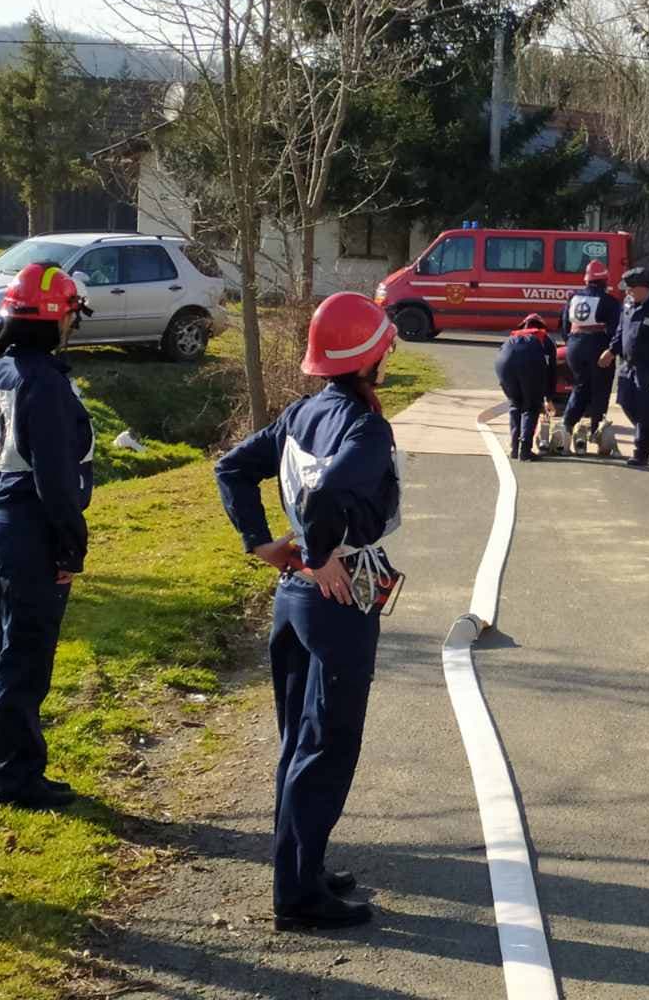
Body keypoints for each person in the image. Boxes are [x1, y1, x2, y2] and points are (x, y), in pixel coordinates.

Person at [215, 292, 402, 932]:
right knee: (326, 746)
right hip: (335, 596)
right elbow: (328, 493)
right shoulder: (365, 426)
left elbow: (233, 468)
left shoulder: (301, 412)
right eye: (386, 344)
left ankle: (302, 866)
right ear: (371, 355)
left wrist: (265, 545)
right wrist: (319, 553)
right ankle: (297, 898)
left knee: (300, 741)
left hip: (293, 600)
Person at [0, 264, 94, 811]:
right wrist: (71, 544)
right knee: (25, 659)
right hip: (30, 531)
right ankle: (17, 777)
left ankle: (9, 763)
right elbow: (55, 477)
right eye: (71, 312)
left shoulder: (0, 369)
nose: (74, 322)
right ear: (57, 317)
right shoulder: (44, 382)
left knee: (4, 655)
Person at [600, 267, 649, 466]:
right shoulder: (628, 303)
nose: (628, 293)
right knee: (625, 401)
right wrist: (611, 350)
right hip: (627, 364)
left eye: (631, 289)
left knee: (647, 408)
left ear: (644, 287)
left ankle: (640, 451)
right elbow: (621, 330)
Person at [559, 261, 622, 453]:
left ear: (586, 279)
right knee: (600, 390)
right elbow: (616, 330)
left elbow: (563, 327)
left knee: (580, 386)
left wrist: (571, 342)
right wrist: (613, 350)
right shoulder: (609, 301)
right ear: (605, 280)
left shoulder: (573, 298)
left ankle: (566, 426)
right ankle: (597, 431)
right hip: (598, 347)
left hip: (574, 347)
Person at [495, 314, 557, 460]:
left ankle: (515, 449)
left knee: (515, 405)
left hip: (504, 364)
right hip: (529, 362)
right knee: (530, 407)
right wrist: (549, 397)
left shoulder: (512, 337)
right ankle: (525, 450)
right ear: (541, 327)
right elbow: (551, 371)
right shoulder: (545, 339)